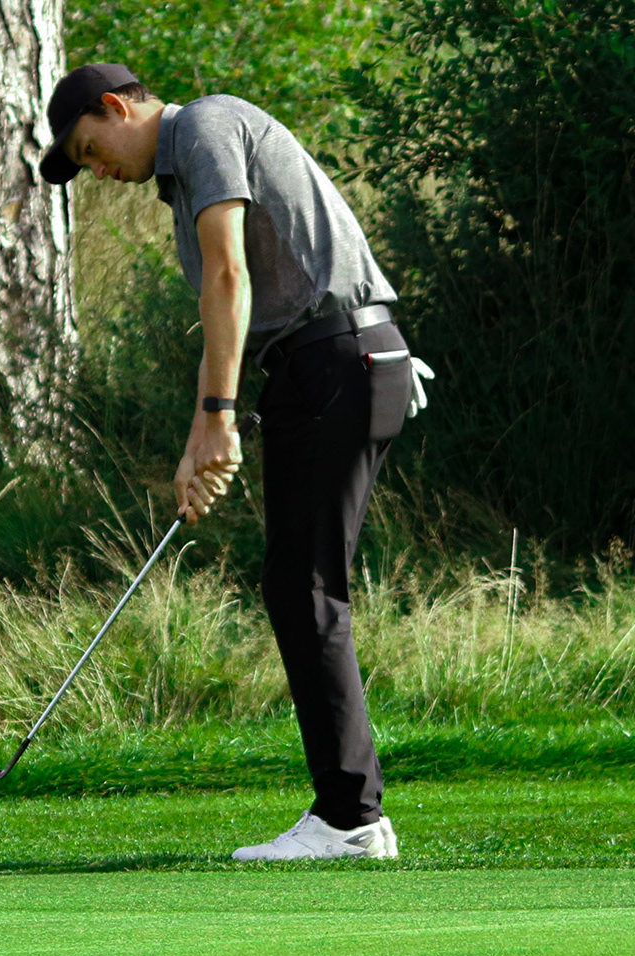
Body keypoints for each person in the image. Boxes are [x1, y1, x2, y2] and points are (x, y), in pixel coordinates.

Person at [40, 63, 424, 860]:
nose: (99, 171)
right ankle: (352, 814)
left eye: (91, 150)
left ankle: (351, 820)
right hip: (331, 362)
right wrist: (208, 433)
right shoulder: (183, 171)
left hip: (337, 358)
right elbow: (235, 297)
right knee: (299, 584)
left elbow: (227, 276)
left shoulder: (205, 126)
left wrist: (215, 417)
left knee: (305, 586)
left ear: (115, 107)